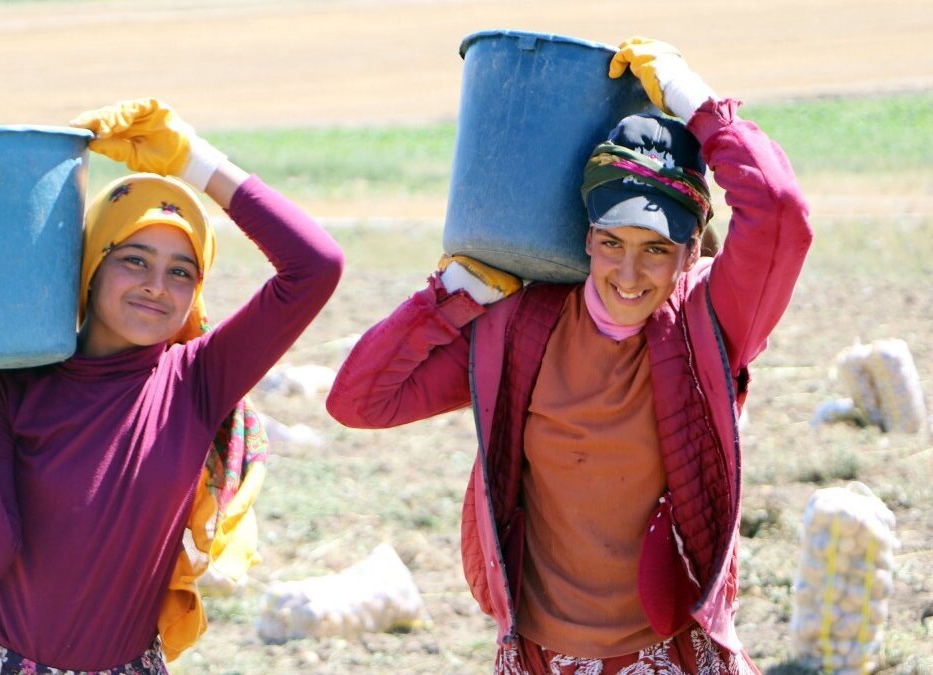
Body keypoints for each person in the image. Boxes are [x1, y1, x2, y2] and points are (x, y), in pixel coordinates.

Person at [326, 37, 812, 674]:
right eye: (612, 242)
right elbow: (360, 402)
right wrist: (448, 296)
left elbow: (779, 210)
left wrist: (695, 102)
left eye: (656, 250)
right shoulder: (521, 328)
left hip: (668, 653)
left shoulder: (707, 325)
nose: (629, 274)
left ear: (692, 250)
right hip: (539, 655)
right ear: (586, 237)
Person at [0, 98, 344, 673]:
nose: (157, 286)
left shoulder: (197, 380)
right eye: (134, 260)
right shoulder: (13, 386)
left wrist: (193, 161)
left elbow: (317, 266)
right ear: (91, 266)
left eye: (181, 271)